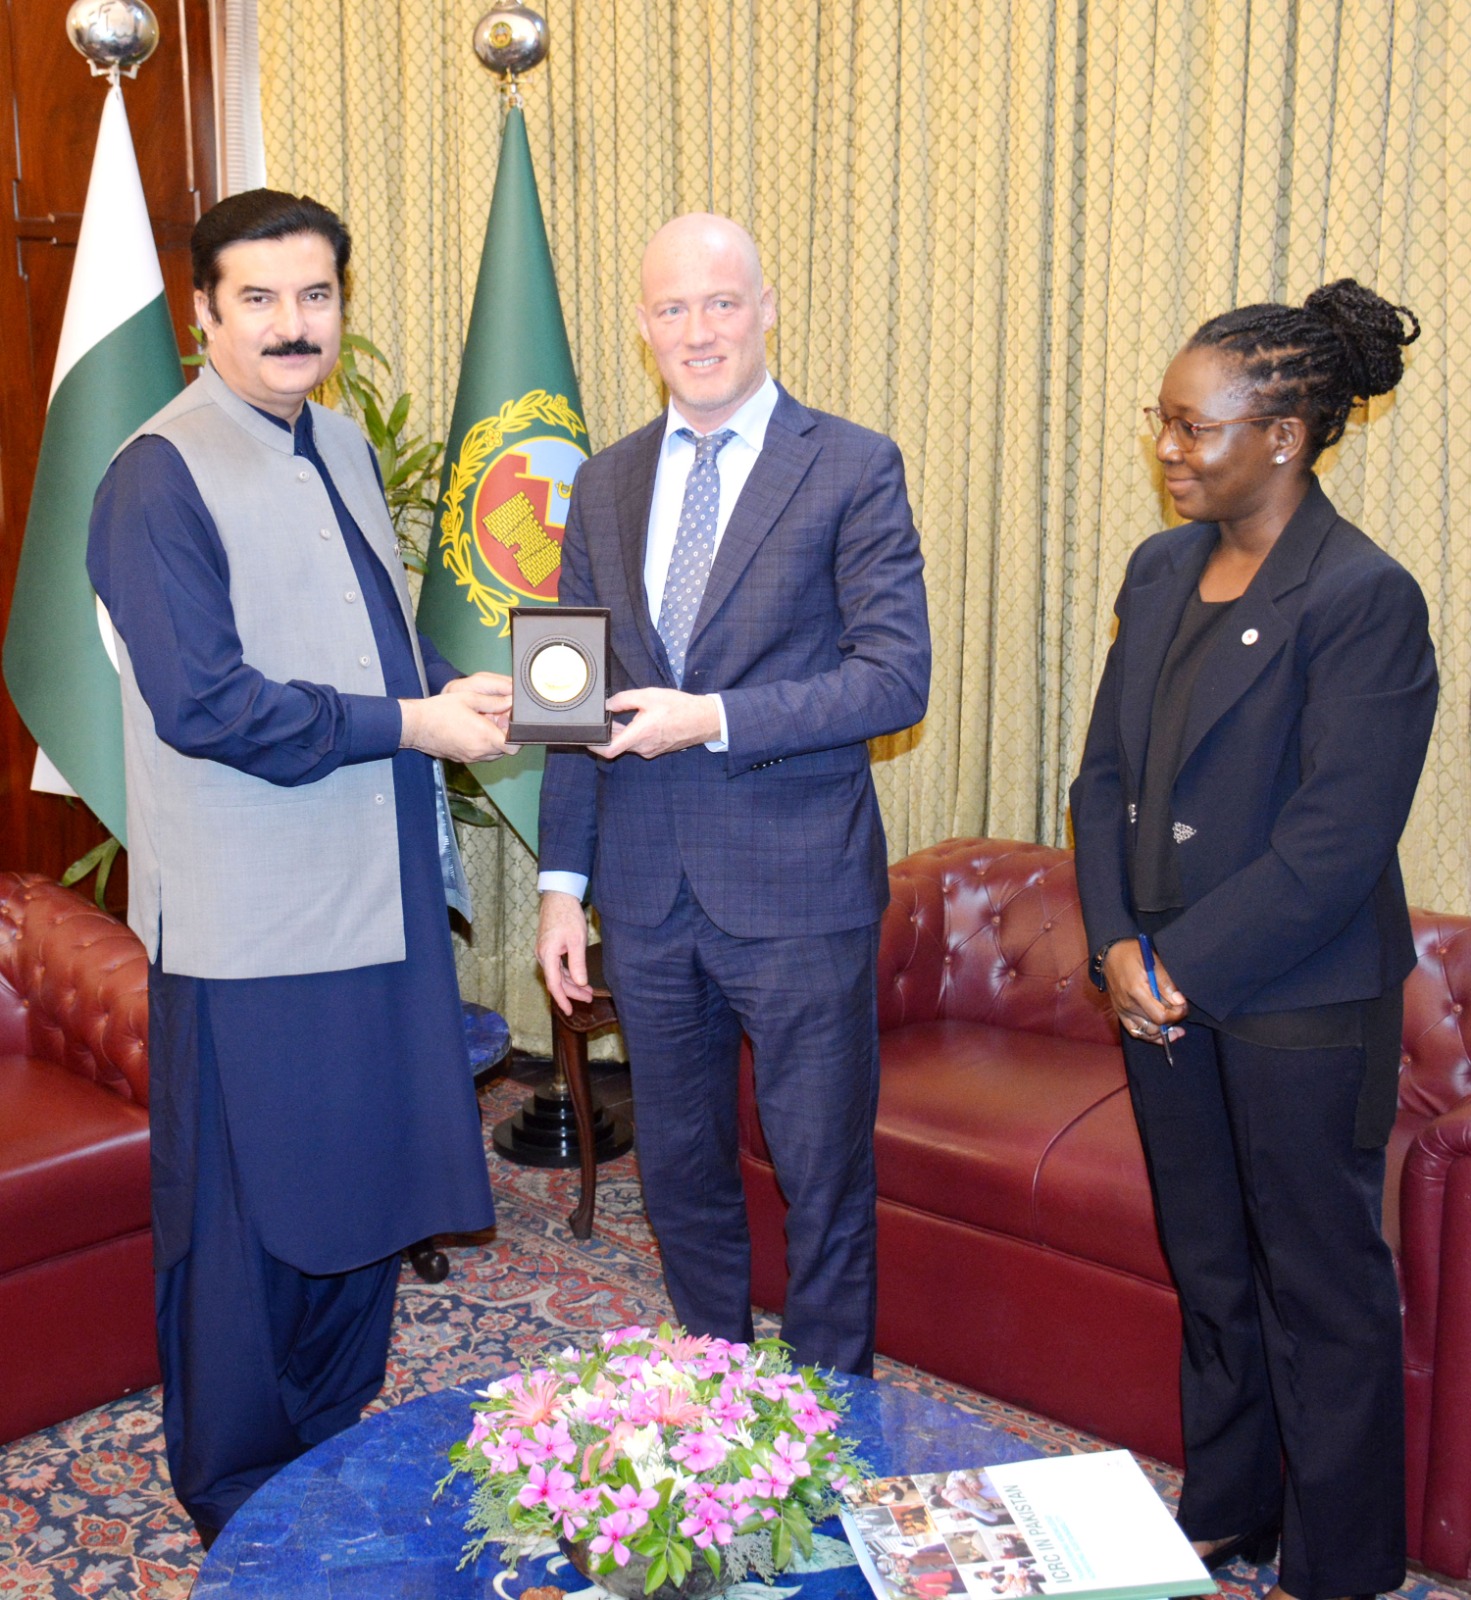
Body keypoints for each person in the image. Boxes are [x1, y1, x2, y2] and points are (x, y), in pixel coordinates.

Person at [86, 189, 516, 1546]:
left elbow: (367, 651)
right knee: (245, 1227)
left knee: (359, 1194)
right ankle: (236, 1502)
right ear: (202, 314)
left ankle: (328, 1450)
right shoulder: (154, 474)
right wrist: (411, 723)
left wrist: (460, 689)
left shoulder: (330, 441)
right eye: (258, 299)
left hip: (373, 899)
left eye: (315, 297)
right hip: (249, 924)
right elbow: (205, 703)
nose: (290, 325)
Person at [1070, 279, 1435, 1600]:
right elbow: (1102, 775)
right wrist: (1114, 941)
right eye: (1158, 424)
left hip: (1294, 998)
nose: (1165, 450)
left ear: (1279, 436)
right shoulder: (1159, 566)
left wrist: (1171, 964)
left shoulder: (1361, 598)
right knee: (1210, 1268)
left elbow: (1335, 841)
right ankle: (1225, 1506)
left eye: (1191, 428)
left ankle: (1338, 1567)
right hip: (1157, 990)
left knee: (1318, 1294)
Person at [535, 212, 930, 1375]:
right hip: (645, 899)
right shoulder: (602, 482)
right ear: (641, 325)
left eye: (719, 303)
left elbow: (893, 676)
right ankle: (714, 1403)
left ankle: (827, 1421)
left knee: (821, 1176)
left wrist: (710, 718)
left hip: (798, 888)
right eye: (671, 308)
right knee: (682, 1172)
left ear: (765, 308)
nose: (697, 330)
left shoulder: (852, 464)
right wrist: (563, 889)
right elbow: (569, 699)